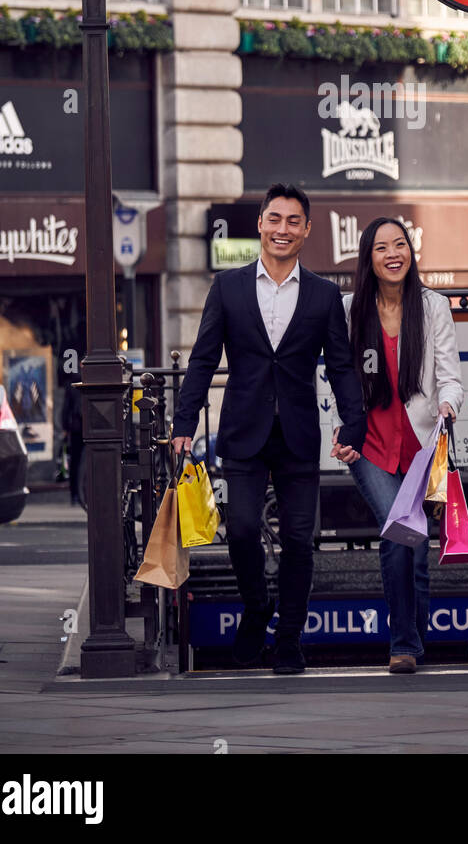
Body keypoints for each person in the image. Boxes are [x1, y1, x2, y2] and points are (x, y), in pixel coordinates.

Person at [172, 183, 366, 675]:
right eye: (274, 219)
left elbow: (342, 367)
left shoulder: (324, 296)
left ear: (306, 230)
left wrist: (354, 422)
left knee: (301, 541)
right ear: (260, 224)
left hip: (300, 435)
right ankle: (257, 607)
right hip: (244, 431)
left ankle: (288, 639)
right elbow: (201, 361)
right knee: (239, 530)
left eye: (293, 221)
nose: (283, 229)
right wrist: (183, 422)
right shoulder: (228, 286)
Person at [337, 217, 463, 673]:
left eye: (401, 245)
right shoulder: (350, 309)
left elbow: (450, 377)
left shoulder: (433, 307)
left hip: (422, 445)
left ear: (411, 252)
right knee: (399, 532)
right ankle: (404, 643)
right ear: (367, 258)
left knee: (416, 545)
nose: (394, 254)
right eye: (382, 247)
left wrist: (449, 407)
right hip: (370, 445)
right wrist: (340, 428)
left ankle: (415, 637)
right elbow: (336, 377)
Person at [61, 380, 85, 506]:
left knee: (75, 461)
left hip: (76, 427)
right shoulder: (94, 376)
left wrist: (65, 427)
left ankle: (75, 494)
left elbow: (66, 407)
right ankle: (83, 493)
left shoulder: (73, 383)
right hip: (91, 426)